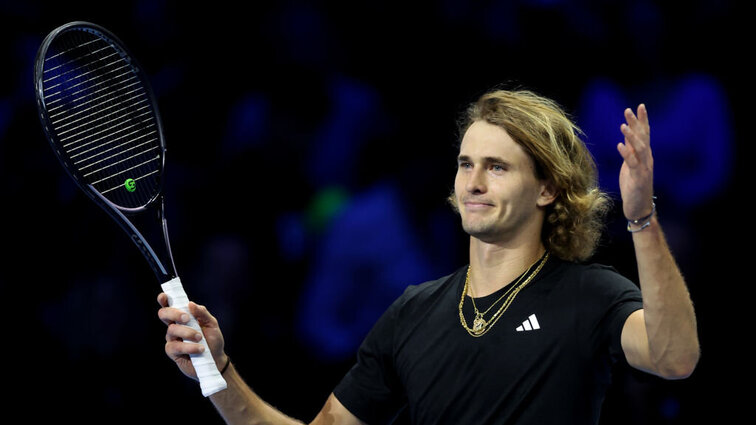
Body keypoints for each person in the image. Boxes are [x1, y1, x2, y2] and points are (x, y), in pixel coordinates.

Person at [157, 88, 699, 424]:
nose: (474, 182)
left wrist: (642, 218)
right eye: (466, 164)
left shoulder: (592, 295)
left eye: (498, 166)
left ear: (547, 190)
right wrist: (218, 370)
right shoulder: (413, 313)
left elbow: (675, 357)